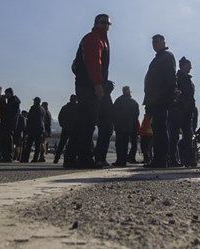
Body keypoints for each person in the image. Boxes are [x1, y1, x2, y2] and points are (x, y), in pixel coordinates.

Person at [65, 14, 111, 169]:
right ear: (96, 23)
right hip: (89, 86)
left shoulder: (98, 39)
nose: (105, 26)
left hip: (85, 84)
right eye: (102, 23)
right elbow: (94, 62)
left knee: (82, 122)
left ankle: (70, 157)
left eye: (108, 23)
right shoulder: (94, 38)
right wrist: (98, 84)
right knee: (88, 122)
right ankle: (84, 158)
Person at [143, 34, 176, 168]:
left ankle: (161, 159)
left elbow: (170, 76)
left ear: (163, 42)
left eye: (157, 41)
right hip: (154, 99)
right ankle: (159, 158)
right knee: (157, 129)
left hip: (161, 98)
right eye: (153, 42)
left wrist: (170, 93)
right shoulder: (157, 59)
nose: (155, 44)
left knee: (160, 129)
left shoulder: (167, 57)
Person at [169, 56, 197, 167]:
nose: (190, 68)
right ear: (184, 66)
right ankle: (173, 158)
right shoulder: (176, 78)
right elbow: (174, 93)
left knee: (188, 136)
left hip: (187, 111)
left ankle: (189, 159)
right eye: (189, 66)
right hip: (178, 110)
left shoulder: (188, 80)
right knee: (175, 136)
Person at [112, 86, 139, 166]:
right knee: (125, 143)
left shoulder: (118, 101)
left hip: (120, 126)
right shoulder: (133, 102)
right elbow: (136, 115)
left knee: (119, 143)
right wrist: (133, 123)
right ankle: (123, 160)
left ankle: (120, 160)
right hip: (128, 126)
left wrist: (114, 122)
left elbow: (113, 112)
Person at [0, 87, 21, 162]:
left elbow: (7, 110)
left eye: (6, 93)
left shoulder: (13, 101)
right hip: (11, 123)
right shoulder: (14, 101)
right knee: (7, 140)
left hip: (9, 123)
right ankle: (7, 156)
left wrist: (3, 101)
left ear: (10, 93)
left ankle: (8, 156)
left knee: (8, 140)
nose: (5, 95)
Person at [53, 95, 78, 164]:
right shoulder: (77, 108)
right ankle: (71, 158)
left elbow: (60, 117)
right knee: (72, 144)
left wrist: (63, 125)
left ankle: (57, 158)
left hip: (66, 128)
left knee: (62, 144)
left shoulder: (65, 107)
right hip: (73, 128)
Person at [22, 97, 45, 162]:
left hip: (33, 128)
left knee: (29, 144)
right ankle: (35, 158)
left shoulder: (33, 108)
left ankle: (25, 158)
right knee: (37, 144)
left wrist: (26, 130)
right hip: (40, 128)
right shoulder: (43, 109)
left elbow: (30, 119)